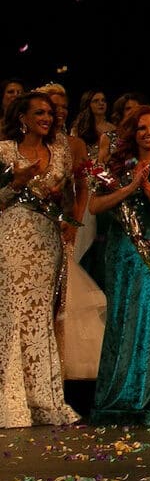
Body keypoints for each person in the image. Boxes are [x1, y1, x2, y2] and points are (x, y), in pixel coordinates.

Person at [89, 106, 150, 424]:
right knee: (121, 316)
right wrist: (128, 187)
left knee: (149, 317)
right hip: (121, 247)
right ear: (133, 133)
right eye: (142, 128)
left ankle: (146, 396)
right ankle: (114, 396)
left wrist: (146, 185)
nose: (148, 133)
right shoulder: (117, 165)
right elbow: (95, 205)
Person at [0, 92, 81, 427]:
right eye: (39, 113)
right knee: (10, 313)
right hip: (12, 236)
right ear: (23, 117)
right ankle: (10, 400)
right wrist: (15, 183)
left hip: (47, 242)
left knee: (39, 317)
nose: (47, 118)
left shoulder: (60, 154)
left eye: (50, 113)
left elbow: (70, 204)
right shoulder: (4, 150)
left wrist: (65, 210)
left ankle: (43, 401)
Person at [38, 83, 103, 381]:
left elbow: (82, 186)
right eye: (54, 107)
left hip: (62, 222)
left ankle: (61, 362)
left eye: (64, 107)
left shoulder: (73, 144)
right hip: (33, 224)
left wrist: (75, 221)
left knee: (63, 293)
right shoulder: (30, 142)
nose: (59, 112)